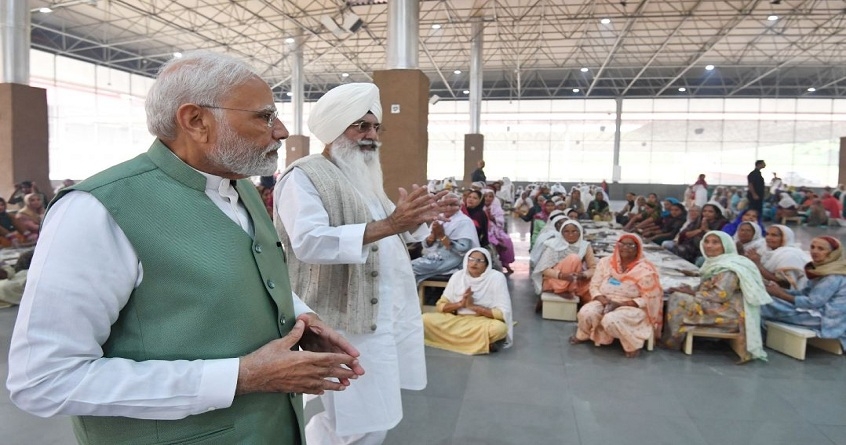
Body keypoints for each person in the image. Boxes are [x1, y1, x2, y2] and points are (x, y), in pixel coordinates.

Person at [7, 52, 364, 444]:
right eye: (264, 116)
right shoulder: (99, 210)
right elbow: (44, 379)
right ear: (196, 121)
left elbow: (244, 274)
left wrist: (300, 319)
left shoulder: (239, 187)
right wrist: (240, 377)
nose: (281, 130)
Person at [274, 82, 447, 444]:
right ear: (335, 128)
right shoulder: (303, 176)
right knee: (359, 421)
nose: (372, 136)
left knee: (370, 417)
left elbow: (391, 233)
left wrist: (421, 218)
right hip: (344, 321)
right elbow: (310, 241)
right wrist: (393, 223)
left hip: (384, 315)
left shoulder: (363, 177)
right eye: (361, 126)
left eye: (376, 127)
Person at [663, 231, 772, 361]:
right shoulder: (716, 263)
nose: (709, 246)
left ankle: (674, 340)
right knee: (678, 293)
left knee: (679, 298)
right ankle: (674, 335)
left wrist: (691, 292)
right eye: (706, 242)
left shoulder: (729, 268)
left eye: (715, 242)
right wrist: (689, 289)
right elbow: (709, 287)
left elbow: (721, 295)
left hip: (730, 312)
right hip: (717, 303)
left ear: (726, 246)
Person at [569, 234, 663, 358]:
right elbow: (594, 285)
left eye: (630, 245)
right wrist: (604, 301)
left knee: (611, 320)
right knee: (587, 312)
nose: (625, 247)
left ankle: (631, 343)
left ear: (638, 248)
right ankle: (584, 334)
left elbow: (650, 298)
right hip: (604, 299)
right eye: (622, 244)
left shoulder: (645, 270)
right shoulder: (605, 262)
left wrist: (619, 304)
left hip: (631, 306)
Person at [421, 248, 513, 355]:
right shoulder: (458, 276)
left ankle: (455, 339)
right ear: (466, 261)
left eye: (479, 261)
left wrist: (473, 307)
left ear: (487, 265)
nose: (474, 263)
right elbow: (440, 306)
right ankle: (481, 342)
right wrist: (460, 304)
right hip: (456, 319)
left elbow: (502, 314)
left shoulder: (496, 278)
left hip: (482, 321)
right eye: (471, 259)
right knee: (424, 319)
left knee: (499, 329)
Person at [762, 236, 846, 350]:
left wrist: (780, 294)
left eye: (821, 249)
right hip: (818, 311)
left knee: (763, 304)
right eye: (812, 247)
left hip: (827, 319)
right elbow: (804, 293)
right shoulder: (823, 269)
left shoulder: (833, 276)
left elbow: (813, 302)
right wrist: (780, 290)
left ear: (833, 254)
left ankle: (755, 340)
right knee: (765, 299)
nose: (814, 251)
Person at [412, 193, 480, 283]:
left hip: (452, 261)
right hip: (434, 257)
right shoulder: (439, 218)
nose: (448, 207)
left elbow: (463, 249)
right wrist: (432, 236)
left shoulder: (464, 221)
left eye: (452, 205)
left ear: (459, 206)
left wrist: (442, 236)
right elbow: (426, 244)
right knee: (406, 267)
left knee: (410, 268)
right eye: (445, 205)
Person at [532, 220, 597, 305]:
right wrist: (561, 275)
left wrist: (583, 275)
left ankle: (578, 298)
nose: (571, 234)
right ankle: (561, 290)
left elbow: (593, 268)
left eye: (574, 231)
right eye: (566, 232)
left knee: (595, 287)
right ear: (561, 233)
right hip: (555, 280)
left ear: (580, 232)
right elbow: (543, 269)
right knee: (574, 258)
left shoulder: (585, 246)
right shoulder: (554, 244)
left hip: (574, 279)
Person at [745, 225, 811, 291]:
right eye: (767, 234)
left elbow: (786, 285)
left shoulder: (789, 255)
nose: (768, 238)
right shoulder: (765, 251)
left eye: (774, 235)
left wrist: (758, 265)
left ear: (785, 238)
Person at [483, 188, 515, 274]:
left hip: (496, 229)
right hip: (485, 230)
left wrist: (493, 219)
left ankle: (506, 263)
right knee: (492, 241)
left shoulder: (496, 208)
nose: (488, 198)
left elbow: (501, 221)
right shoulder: (480, 207)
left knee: (507, 240)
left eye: (490, 196)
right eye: (486, 196)